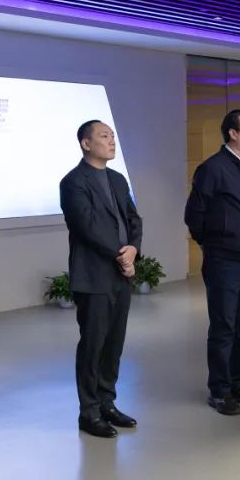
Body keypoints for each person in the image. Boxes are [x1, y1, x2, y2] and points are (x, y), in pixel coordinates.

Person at [185, 108, 240, 415]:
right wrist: (214, 245)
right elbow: (194, 214)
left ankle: (238, 381)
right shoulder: (213, 168)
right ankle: (219, 390)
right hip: (225, 261)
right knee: (224, 326)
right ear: (233, 133)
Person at [60, 120, 143, 439]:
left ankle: (107, 402)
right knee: (93, 344)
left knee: (114, 344)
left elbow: (133, 219)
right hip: (93, 275)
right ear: (86, 143)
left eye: (113, 136)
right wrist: (121, 256)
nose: (112, 141)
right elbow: (87, 227)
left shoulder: (118, 179)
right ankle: (89, 411)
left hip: (121, 274)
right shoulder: (73, 182)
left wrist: (133, 248)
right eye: (104, 136)